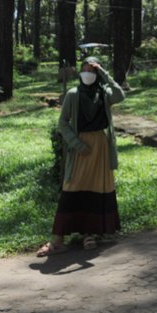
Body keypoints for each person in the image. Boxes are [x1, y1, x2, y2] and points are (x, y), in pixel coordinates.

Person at [38, 57, 126, 255]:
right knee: (72, 189)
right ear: (80, 72)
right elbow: (63, 123)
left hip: (101, 148)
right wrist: (77, 144)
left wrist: (103, 72)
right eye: (85, 69)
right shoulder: (73, 94)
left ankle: (89, 233)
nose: (88, 73)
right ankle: (57, 241)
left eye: (92, 70)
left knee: (96, 189)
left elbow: (120, 95)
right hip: (81, 148)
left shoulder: (104, 93)